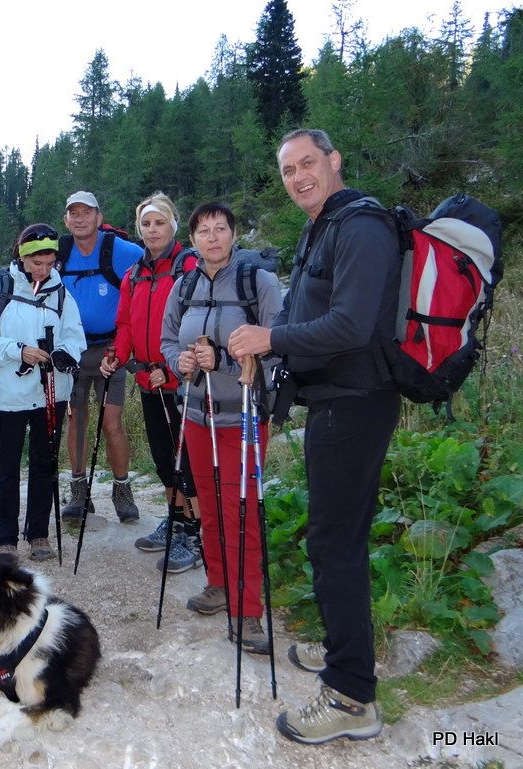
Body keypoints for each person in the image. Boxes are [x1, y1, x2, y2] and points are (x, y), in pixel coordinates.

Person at [228, 129, 400, 743]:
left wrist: (270, 339)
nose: (298, 176)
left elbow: (351, 325)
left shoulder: (361, 226)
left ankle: (352, 697)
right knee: (335, 537)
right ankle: (342, 645)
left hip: (357, 403)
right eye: (287, 170)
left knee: (334, 543)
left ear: (334, 161)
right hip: (333, 402)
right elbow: (304, 315)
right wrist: (267, 349)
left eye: (308, 163)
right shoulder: (320, 227)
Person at [161, 202, 282, 656]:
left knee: (242, 511)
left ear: (234, 234)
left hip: (243, 417)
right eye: (203, 231)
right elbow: (167, 340)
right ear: (192, 240)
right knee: (209, 507)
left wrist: (226, 360)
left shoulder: (258, 283)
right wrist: (180, 361)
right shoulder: (184, 286)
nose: (212, 238)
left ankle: (248, 609)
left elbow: (280, 344)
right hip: (197, 416)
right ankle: (218, 583)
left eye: (220, 229)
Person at [0, 224, 86, 561]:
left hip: (52, 392)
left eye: (50, 263)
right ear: (22, 257)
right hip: (9, 394)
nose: (44, 270)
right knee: (7, 466)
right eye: (37, 263)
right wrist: (18, 351)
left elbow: (75, 336)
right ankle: (4, 538)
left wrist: (65, 354)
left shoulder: (61, 292)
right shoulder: (1, 288)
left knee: (44, 464)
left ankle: (38, 533)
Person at [99, 192, 202, 571]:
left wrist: (172, 370)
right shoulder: (134, 274)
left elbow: (198, 324)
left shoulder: (189, 267)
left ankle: (196, 533)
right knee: (163, 457)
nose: (152, 229)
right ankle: (177, 521)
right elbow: (126, 324)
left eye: (159, 222)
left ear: (173, 225)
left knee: (187, 461)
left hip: (182, 381)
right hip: (147, 378)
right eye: (146, 223)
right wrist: (116, 354)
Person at [59, 191, 144, 522]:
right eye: (74, 213)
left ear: (98, 217)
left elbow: (152, 266)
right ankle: (79, 491)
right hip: (72, 353)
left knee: (111, 424)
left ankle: (122, 490)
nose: (80, 218)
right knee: (76, 421)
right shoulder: (60, 251)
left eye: (87, 212)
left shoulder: (120, 250)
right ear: (66, 220)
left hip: (112, 352)